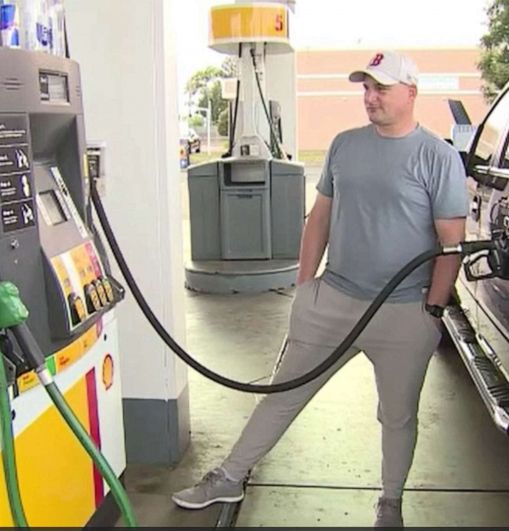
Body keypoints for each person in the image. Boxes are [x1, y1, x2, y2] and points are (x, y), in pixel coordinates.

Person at [171, 50, 468, 527]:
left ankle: (390, 502)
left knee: (397, 416)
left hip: (403, 310)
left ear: (411, 93)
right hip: (333, 300)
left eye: (381, 89)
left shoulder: (438, 156)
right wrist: (305, 288)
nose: (370, 98)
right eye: (365, 88)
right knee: (281, 395)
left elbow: (451, 245)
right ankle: (229, 475)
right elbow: (320, 219)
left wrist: (430, 312)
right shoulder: (344, 145)